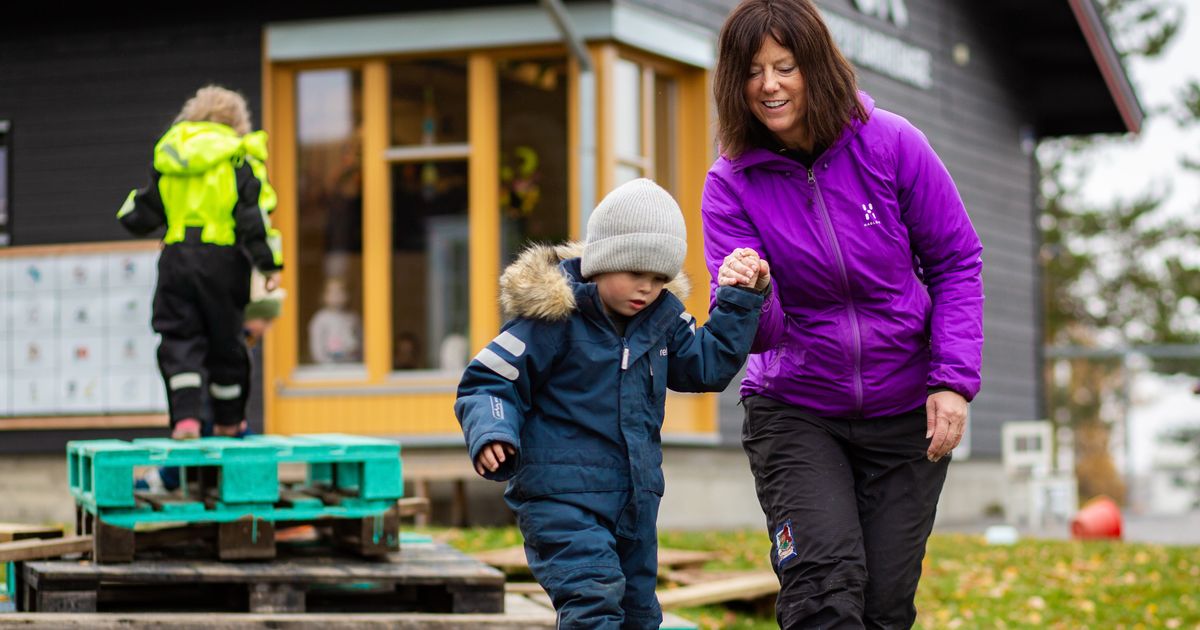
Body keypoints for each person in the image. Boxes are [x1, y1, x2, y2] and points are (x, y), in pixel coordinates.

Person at [702, 1, 985, 628]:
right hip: (797, 408)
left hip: (904, 409)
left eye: (785, 66)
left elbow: (957, 260)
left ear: (818, 67)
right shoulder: (730, 184)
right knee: (821, 591)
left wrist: (952, 382)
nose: (769, 85)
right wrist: (750, 293)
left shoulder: (892, 144)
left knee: (885, 607)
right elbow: (763, 334)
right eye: (752, 72)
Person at [455, 178, 769, 628]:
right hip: (560, 497)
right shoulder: (554, 318)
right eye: (635, 273)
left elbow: (708, 366)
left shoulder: (662, 322)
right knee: (592, 598)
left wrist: (740, 300)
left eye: (659, 279)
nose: (646, 288)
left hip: (635, 501)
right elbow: (488, 381)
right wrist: (492, 430)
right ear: (601, 262)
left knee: (638, 614)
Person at [117, 85, 284, 440]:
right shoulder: (239, 158)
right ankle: (227, 421)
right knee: (226, 341)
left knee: (179, 336)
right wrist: (270, 265)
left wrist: (127, 213)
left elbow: (143, 211)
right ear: (237, 121)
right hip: (224, 260)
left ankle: (187, 419)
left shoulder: (172, 157)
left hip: (176, 257)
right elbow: (254, 219)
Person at [308, 276, 363, 364]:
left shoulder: (353, 318)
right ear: (324, 296)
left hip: (352, 367)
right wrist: (323, 362)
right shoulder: (320, 319)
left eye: (341, 292)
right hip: (328, 369)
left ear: (348, 294)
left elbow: (361, 342)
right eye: (332, 292)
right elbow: (316, 347)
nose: (337, 296)